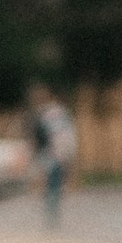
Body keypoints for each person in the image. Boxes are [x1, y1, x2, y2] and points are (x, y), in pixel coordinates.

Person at [30, 90, 75, 228]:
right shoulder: (63, 116)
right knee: (54, 185)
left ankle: (50, 214)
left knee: (50, 184)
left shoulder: (45, 116)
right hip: (60, 155)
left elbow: (39, 138)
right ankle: (52, 214)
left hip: (49, 154)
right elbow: (69, 138)